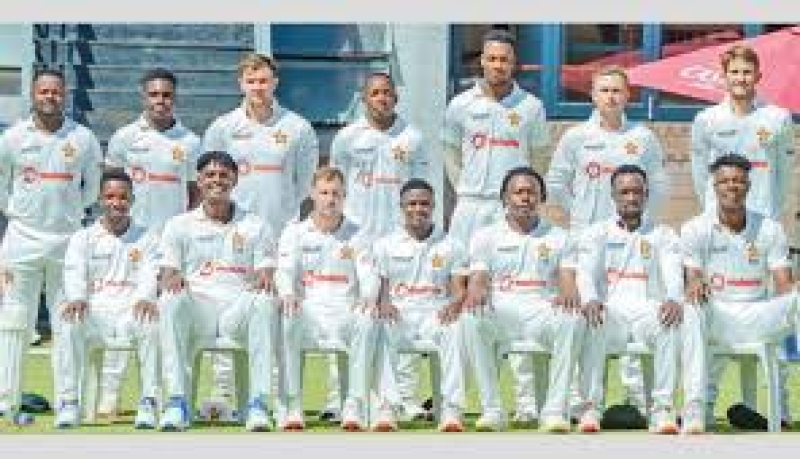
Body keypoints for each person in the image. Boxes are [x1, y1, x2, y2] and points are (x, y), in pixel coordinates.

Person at [545, 65, 670, 415]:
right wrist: (580, 214)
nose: (611, 97)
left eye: (617, 91)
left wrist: (642, 221)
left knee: (632, 315)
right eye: (604, 90)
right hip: (587, 240)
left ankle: (638, 401)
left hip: (630, 240)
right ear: (593, 95)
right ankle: (583, 401)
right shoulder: (575, 137)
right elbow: (556, 182)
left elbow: (659, 185)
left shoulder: (642, 138)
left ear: (628, 95)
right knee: (586, 316)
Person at [442, 28, 549, 422]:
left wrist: (520, 198)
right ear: (481, 61)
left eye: (505, 59)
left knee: (518, 296)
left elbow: (538, 158)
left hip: (513, 211)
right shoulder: (460, 105)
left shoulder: (531, 107)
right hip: (471, 207)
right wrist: (466, 191)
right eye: (492, 58)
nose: (498, 65)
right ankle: (453, 401)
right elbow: (450, 153)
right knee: (460, 299)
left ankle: (525, 402)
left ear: (514, 63)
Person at [203, 52, 319, 413]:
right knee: (227, 312)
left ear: (275, 83)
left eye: (264, 80)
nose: (258, 87)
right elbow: (211, 181)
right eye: (251, 81)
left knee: (279, 312)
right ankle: (224, 395)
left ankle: (276, 395)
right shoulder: (223, 127)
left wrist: (287, 225)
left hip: (281, 234)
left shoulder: (297, 128)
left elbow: (305, 185)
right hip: (232, 234)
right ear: (241, 84)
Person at [0, 68, 103, 425]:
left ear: (65, 94)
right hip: (22, 238)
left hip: (68, 239)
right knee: (14, 319)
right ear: (33, 94)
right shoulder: (13, 138)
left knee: (68, 322)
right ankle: (7, 399)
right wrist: (17, 213)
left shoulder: (83, 138)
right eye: (43, 91)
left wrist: (68, 215)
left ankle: (67, 401)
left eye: (56, 91)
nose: (50, 97)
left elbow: (92, 189)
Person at [327, 72, 430, 422]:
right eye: (375, 93)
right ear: (364, 98)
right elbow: (336, 186)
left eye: (387, 92)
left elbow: (421, 187)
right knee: (351, 313)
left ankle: (405, 398)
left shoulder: (413, 137)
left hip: (399, 239)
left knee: (401, 312)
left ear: (396, 98)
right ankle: (339, 397)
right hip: (356, 238)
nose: (382, 98)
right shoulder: (347, 137)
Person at [99, 67, 202, 418]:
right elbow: (110, 188)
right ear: (144, 97)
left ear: (175, 98)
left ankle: (161, 394)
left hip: (172, 245)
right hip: (132, 240)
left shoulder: (190, 142)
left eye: (167, 95)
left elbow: (194, 194)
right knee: (121, 313)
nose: (161, 101)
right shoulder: (124, 138)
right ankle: (110, 395)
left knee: (167, 322)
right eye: (154, 94)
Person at [574, 164, 703, 434]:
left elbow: (673, 274)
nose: (631, 197)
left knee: (670, 320)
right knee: (593, 318)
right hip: (612, 313)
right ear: (613, 195)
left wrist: (673, 298)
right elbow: (585, 273)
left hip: (648, 313)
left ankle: (662, 409)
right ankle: (590, 408)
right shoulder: (596, 233)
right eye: (624, 192)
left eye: (637, 191)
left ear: (646, 195)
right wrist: (590, 299)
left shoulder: (664, 234)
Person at [156, 151, 280, 432]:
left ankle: (258, 404)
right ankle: (177, 402)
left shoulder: (255, 224)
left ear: (234, 180)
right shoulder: (178, 224)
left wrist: (264, 277)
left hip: (236, 312)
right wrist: (173, 277)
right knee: (170, 299)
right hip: (198, 309)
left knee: (264, 299)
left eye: (224, 175)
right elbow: (168, 271)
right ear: (199, 180)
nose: (217, 180)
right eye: (210, 175)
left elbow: (266, 270)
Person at [461, 166, 586, 432]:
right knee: (471, 316)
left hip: (542, 311)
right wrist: (476, 290)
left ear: (542, 198)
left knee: (572, 317)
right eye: (518, 192)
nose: (525, 198)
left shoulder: (560, 237)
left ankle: (554, 411)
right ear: (505, 198)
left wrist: (568, 292)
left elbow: (567, 278)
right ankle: (492, 410)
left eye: (532, 192)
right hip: (503, 311)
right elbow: (479, 277)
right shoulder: (485, 236)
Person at [681, 153, 798, 433]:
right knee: (692, 306)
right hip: (718, 314)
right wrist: (695, 283)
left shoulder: (769, 228)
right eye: (725, 181)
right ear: (714, 186)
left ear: (748, 185)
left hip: (758, 313)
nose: (732, 186)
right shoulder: (695, 228)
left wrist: (794, 290)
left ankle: (782, 410)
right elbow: (692, 276)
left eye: (738, 181)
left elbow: (783, 285)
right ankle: (694, 409)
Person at [275, 166, 381, 432]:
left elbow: (369, 274)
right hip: (308, 312)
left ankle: (354, 404)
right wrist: (287, 293)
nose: (330, 199)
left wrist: (368, 296)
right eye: (324, 193)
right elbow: (284, 271)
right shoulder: (294, 232)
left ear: (344, 196)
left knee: (367, 317)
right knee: (287, 314)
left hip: (344, 312)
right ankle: (293, 404)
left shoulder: (358, 234)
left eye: (336, 193)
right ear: (312, 194)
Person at [54, 170, 161, 429]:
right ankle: (69, 402)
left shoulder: (147, 237)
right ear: (100, 199)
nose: (116, 202)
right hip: (96, 314)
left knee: (152, 322)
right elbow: (74, 272)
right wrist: (77, 297)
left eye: (123, 197)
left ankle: (148, 402)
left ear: (132, 200)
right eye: (110, 196)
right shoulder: (83, 237)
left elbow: (150, 274)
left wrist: (145, 298)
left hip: (130, 313)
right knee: (68, 320)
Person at [366, 178, 473, 432]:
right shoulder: (384, 245)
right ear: (402, 207)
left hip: (435, 311)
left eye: (424, 204)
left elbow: (459, 290)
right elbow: (381, 288)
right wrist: (384, 302)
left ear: (433, 206)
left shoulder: (452, 245)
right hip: (399, 313)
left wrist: (455, 304)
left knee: (457, 328)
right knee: (379, 326)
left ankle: (450, 409)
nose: (418, 209)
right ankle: (386, 408)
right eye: (412, 204)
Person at [691, 45, 794, 221]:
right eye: (734, 72)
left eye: (747, 72)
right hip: (719, 217)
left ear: (758, 77)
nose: (740, 78)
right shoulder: (706, 119)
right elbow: (700, 174)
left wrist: (774, 211)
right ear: (724, 76)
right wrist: (712, 208)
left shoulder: (779, 118)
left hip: (764, 215)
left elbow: (784, 172)